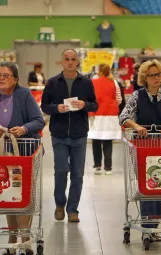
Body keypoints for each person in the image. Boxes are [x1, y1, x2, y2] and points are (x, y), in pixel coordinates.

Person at [0, 62, 45, 255]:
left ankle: (24, 237)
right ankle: (13, 237)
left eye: (6, 75)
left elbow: (38, 120)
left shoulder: (24, 95)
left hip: (24, 151)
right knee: (8, 192)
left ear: (15, 79)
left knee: (24, 192)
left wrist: (23, 129)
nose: (1, 78)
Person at [119, 59, 161, 241]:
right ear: (144, 78)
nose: (156, 78)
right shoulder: (136, 96)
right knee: (147, 183)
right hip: (143, 145)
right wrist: (137, 126)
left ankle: (153, 225)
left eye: (158, 74)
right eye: (152, 75)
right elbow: (124, 116)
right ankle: (148, 225)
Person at [41, 49, 98, 223]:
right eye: (67, 59)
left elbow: (95, 105)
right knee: (60, 171)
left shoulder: (86, 83)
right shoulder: (52, 83)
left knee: (78, 174)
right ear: (62, 61)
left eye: (73, 59)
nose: (70, 62)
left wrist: (84, 104)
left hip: (79, 135)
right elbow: (44, 106)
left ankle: (73, 210)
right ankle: (60, 203)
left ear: (78, 62)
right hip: (59, 134)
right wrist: (56, 108)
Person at [89, 63, 122, 175]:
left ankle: (97, 166)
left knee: (96, 140)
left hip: (96, 114)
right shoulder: (114, 82)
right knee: (108, 141)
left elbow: (90, 98)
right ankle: (108, 168)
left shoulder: (93, 82)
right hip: (110, 115)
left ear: (100, 72)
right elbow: (119, 99)